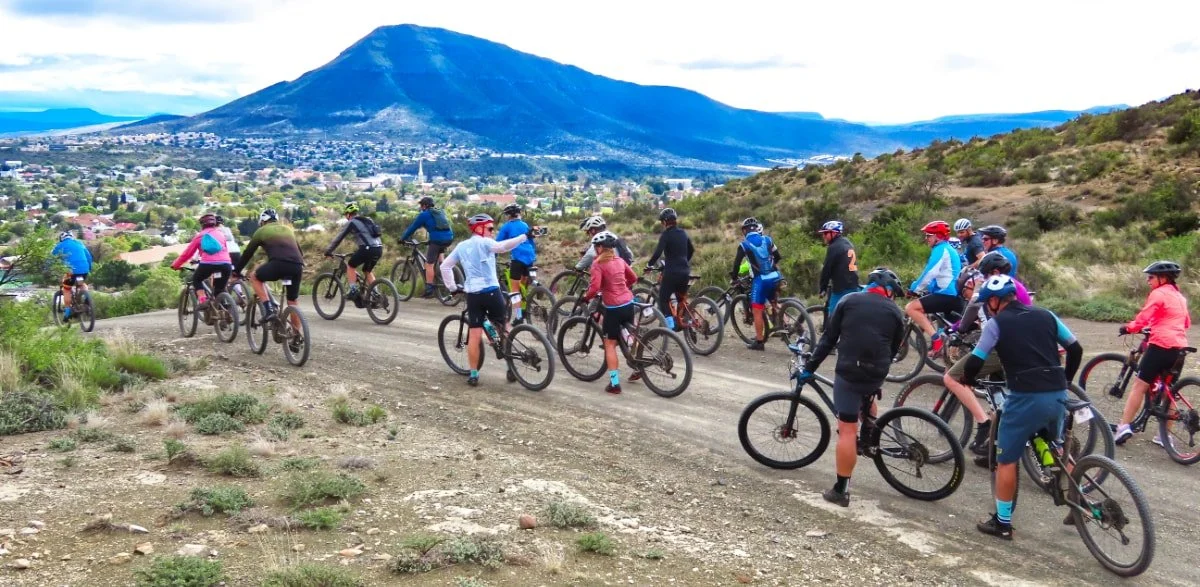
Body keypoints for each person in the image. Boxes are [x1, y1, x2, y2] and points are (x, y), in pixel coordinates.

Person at [958, 274, 1083, 540]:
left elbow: (974, 362)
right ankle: (1078, 500)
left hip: (1025, 397)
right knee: (1058, 448)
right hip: (1057, 391)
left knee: (1006, 461)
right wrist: (1066, 380)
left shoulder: (996, 324)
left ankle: (1002, 523)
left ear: (994, 301)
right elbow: (1076, 349)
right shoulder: (1046, 314)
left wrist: (968, 380)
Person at [796, 268, 906, 507]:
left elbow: (828, 340)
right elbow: (896, 347)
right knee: (868, 393)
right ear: (887, 290)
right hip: (877, 371)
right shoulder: (895, 312)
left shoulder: (848, 301)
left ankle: (841, 490)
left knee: (846, 430)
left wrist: (810, 368)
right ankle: (869, 433)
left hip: (849, 370)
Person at [942, 252, 1034, 455]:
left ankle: (983, 423)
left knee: (952, 378)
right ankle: (993, 443)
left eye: (984, 274)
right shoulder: (1016, 287)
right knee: (999, 395)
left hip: (1002, 346)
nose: (982, 279)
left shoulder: (994, 288)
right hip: (1025, 345)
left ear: (994, 272)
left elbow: (975, 305)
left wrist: (959, 329)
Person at [440, 213, 536, 386]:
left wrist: (453, 288)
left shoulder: (461, 246)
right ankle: (510, 367)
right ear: (479, 228)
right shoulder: (485, 242)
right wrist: (524, 236)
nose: (493, 231)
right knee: (504, 328)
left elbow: (445, 266)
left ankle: (474, 374)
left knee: (475, 334)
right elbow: (502, 247)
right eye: (490, 228)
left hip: (473, 295)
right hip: (492, 292)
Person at [1113, 261, 1191, 446]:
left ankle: (1123, 427)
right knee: (1170, 391)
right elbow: (1186, 323)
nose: (1148, 280)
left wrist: (1129, 328)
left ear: (1162, 278)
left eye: (1151, 277)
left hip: (1160, 346)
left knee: (1139, 385)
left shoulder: (1158, 293)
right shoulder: (1180, 296)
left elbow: (1144, 317)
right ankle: (1164, 436)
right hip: (1179, 349)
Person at [582, 231, 638, 394]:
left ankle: (614, 384)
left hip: (613, 308)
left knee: (610, 345)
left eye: (595, 246)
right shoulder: (619, 260)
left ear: (600, 248)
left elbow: (594, 288)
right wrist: (621, 287)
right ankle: (636, 362)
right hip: (629, 302)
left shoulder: (597, 264)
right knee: (629, 334)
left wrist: (586, 298)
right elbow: (633, 278)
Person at [233, 209, 305, 325]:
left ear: (262, 222)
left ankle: (268, 310)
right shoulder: (288, 229)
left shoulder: (261, 231)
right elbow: (299, 251)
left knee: (254, 277)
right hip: (297, 265)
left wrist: (236, 271)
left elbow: (248, 253)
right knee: (292, 301)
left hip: (278, 264)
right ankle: (296, 336)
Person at [904, 220, 963, 358]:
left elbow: (930, 272)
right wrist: (929, 288)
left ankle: (936, 340)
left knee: (911, 308)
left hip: (947, 294)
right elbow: (941, 276)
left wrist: (915, 289)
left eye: (928, 235)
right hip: (951, 294)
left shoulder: (940, 249)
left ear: (938, 236)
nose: (926, 239)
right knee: (953, 336)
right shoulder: (948, 249)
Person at [731, 217, 782, 350]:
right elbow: (778, 256)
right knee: (774, 303)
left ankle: (759, 342)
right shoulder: (768, 239)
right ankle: (787, 325)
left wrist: (734, 278)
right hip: (775, 276)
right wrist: (770, 266)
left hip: (761, 280)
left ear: (744, 230)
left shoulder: (744, 245)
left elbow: (736, 264)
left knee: (757, 310)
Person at [323, 203, 384, 307]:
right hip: (378, 248)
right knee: (367, 270)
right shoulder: (368, 220)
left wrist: (328, 251)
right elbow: (368, 236)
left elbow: (339, 238)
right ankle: (376, 295)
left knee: (351, 266)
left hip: (367, 249)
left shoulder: (351, 222)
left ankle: (353, 290)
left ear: (348, 214)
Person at [645, 208, 694, 331]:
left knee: (663, 299)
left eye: (662, 222)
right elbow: (691, 250)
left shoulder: (666, 235)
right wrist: (684, 262)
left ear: (665, 222)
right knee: (680, 299)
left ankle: (670, 327)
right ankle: (683, 321)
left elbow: (657, 253)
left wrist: (649, 265)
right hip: (685, 271)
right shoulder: (683, 233)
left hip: (671, 272)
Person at [171, 213, 233, 309]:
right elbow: (225, 250)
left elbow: (187, 254)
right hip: (226, 264)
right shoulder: (221, 234)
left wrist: (176, 264)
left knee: (197, 279)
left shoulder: (200, 236)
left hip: (208, 264)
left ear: (202, 224)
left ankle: (203, 300)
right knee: (219, 289)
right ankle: (224, 310)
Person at [399, 196, 455, 299]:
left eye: (421, 205)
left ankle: (429, 288)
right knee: (440, 258)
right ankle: (442, 270)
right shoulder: (440, 211)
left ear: (425, 206)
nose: (420, 207)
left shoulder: (424, 215)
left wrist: (402, 238)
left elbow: (413, 227)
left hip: (437, 240)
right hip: (449, 238)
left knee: (429, 264)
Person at [495, 204, 537, 326]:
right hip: (530, 258)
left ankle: (518, 317)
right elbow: (531, 242)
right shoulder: (524, 225)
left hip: (517, 258)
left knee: (514, 290)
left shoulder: (507, 226)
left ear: (508, 215)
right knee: (523, 287)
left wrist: (494, 256)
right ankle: (524, 310)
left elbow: (497, 244)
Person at [816, 220, 859, 316]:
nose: (823, 236)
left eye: (825, 233)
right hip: (854, 285)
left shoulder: (834, 247)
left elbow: (826, 269)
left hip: (841, 288)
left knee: (833, 316)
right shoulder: (848, 243)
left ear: (834, 233)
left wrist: (822, 288)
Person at [51, 231, 93, 320]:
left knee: (66, 289)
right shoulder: (80, 244)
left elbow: (51, 259)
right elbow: (89, 257)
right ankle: (86, 298)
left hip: (71, 271)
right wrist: (89, 268)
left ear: (61, 239)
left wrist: (48, 269)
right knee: (81, 284)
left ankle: (67, 311)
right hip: (83, 270)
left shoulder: (59, 246)